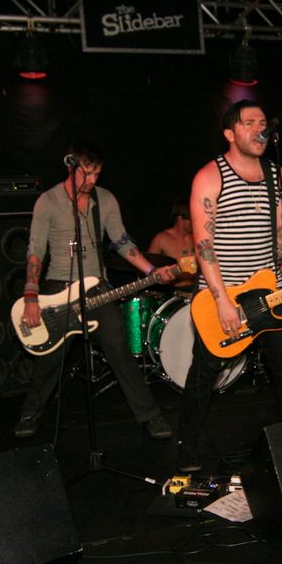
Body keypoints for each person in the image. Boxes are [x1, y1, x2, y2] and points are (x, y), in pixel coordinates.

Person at [14, 141, 175, 439]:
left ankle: (151, 416)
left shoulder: (106, 200)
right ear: (71, 167)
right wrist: (31, 296)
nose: (91, 180)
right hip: (58, 289)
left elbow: (122, 242)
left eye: (96, 174)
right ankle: (29, 414)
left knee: (119, 349)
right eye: (86, 173)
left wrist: (151, 271)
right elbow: (35, 252)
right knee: (49, 358)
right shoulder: (48, 201)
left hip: (96, 288)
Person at [177, 99, 282, 472]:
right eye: (249, 122)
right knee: (204, 374)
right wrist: (221, 301)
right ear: (230, 134)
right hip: (224, 293)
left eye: (263, 122)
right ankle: (187, 448)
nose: (259, 128)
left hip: (270, 292)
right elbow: (204, 245)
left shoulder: (280, 178)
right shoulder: (210, 176)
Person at [147, 198, 197, 293]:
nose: (195, 222)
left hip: (196, 288)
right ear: (180, 218)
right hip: (173, 292)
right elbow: (149, 267)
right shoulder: (161, 238)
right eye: (191, 219)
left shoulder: (196, 237)